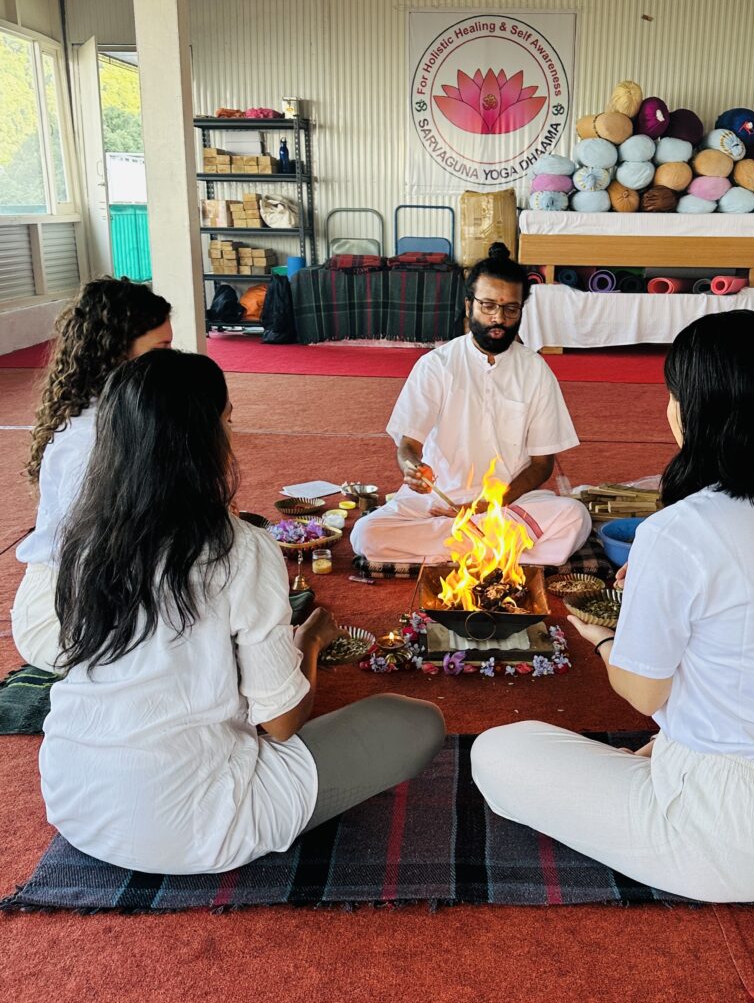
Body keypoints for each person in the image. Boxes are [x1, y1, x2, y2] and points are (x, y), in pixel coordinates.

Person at [471, 311, 754, 904]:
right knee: (676, 731)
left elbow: (644, 693)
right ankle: (678, 753)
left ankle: (674, 767)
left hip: (730, 836)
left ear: (697, 409)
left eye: (672, 396)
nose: (667, 410)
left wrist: (605, 638)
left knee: (497, 752)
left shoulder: (678, 530)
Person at [40, 350, 444, 874]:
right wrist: (311, 644)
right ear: (199, 440)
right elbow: (280, 723)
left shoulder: (82, 538)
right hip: (191, 825)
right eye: (227, 421)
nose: (231, 436)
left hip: (75, 800)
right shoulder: (239, 546)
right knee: (415, 723)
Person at [350, 242, 591, 565]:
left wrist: (491, 504)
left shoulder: (535, 370)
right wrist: (412, 469)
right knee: (366, 534)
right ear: (468, 306)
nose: (499, 319)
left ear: (521, 310)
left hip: (507, 503)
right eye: (488, 305)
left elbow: (541, 465)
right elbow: (408, 445)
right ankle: (498, 551)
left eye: (510, 309)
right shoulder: (437, 364)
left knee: (575, 517)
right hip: (438, 500)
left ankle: (456, 545)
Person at [12, 277, 174, 673]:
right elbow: (110, 554)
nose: (172, 364)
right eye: (162, 351)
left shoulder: (121, 414)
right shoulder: (90, 438)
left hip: (107, 591)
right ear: (117, 353)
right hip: (63, 618)